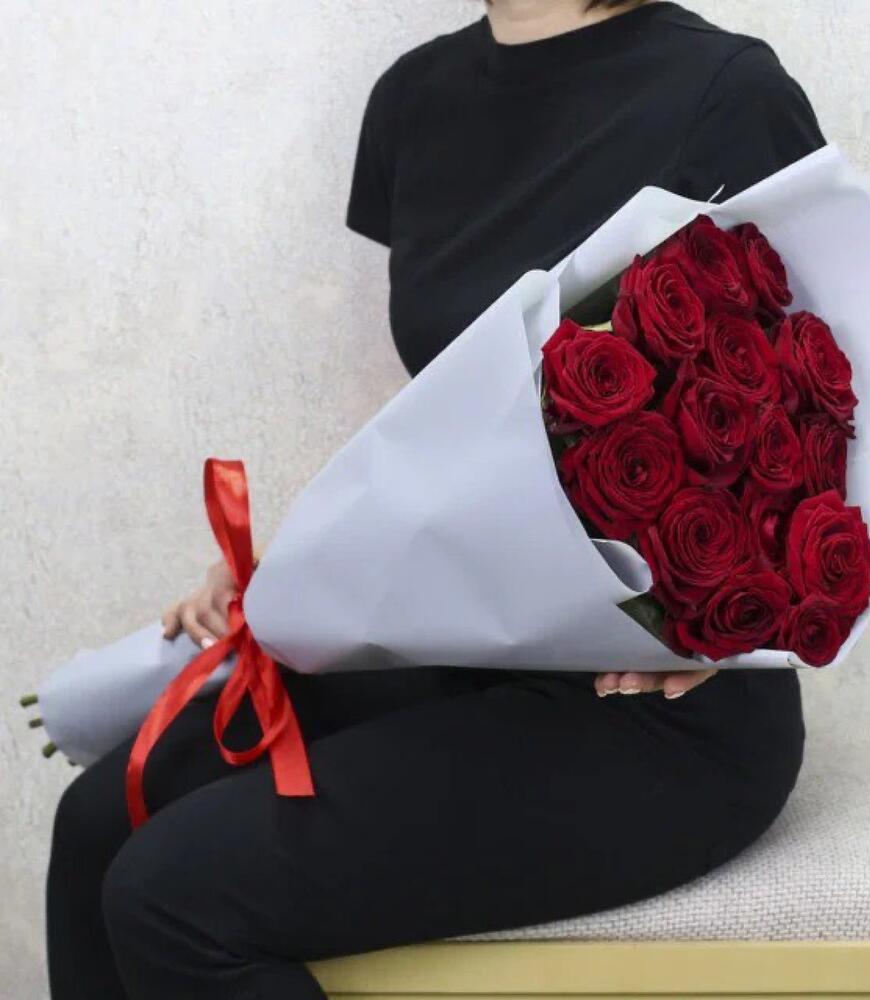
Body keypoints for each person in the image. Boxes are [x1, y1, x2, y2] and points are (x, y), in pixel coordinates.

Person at [46, 2, 824, 998]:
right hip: (462, 644)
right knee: (99, 822)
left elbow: (825, 404)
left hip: (657, 706)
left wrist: (734, 621)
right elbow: (449, 414)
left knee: (169, 894)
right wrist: (305, 566)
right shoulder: (415, 99)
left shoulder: (726, 92)